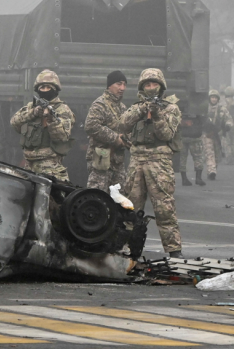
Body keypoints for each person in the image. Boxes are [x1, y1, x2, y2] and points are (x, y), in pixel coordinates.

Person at [120, 68, 183, 258]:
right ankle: (129, 249)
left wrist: (156, 115)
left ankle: (174, 250)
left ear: (161, 86)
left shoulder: (171, 109)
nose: (151, 87)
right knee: (131, 207)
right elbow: (122, 124)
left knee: (164, 207)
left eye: (154, 84)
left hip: (159, 161)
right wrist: (141, 110)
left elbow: (166, 134)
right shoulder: (136, 107)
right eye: (147, 84)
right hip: (137, 160)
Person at [10, 69, 75, 182]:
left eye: (48, 87)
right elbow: (14, 123)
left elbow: (62, 136)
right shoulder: (31, 107)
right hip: (28, 166)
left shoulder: (62, 110)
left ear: (55, 89)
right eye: (42, 88)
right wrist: (32, 113)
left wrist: (50, 119)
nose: (45, 90)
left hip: (50, 167)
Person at [84, 70, 129, 192]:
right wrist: (115, 138)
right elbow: (91, 126)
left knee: (119, 200)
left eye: (124, 84)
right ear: (110, 85)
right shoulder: (100, 104)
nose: (122, 88)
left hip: (117, 161)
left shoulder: (123, 107)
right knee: (97, 197)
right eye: (119, 84)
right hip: (101, 159)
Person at [202, 89, 233, 180]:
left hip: (218, 135)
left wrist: (228, 126)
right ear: (209, 98)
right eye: (212, 97)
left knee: (217, 155)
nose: (214, 99)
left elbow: (229, 119)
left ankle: (213, 168)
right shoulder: (204, 109)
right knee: (209, 153)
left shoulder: (222, 109)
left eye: (215, 98)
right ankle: (211, 171)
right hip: (207, 134)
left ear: (218, 99)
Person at [178, 99, 206, 186]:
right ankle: (198, 178)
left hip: (182, 136)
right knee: (198, 157)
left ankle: (184, 179)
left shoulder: (177, 107)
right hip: (195, 136)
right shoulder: (198, 106)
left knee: (182, 158)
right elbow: (204, 121)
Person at [222, 86, 234, 165]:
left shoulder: (224, 102)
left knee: (228, 142)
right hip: (230, 123)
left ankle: (229, 158)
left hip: (228, 124)